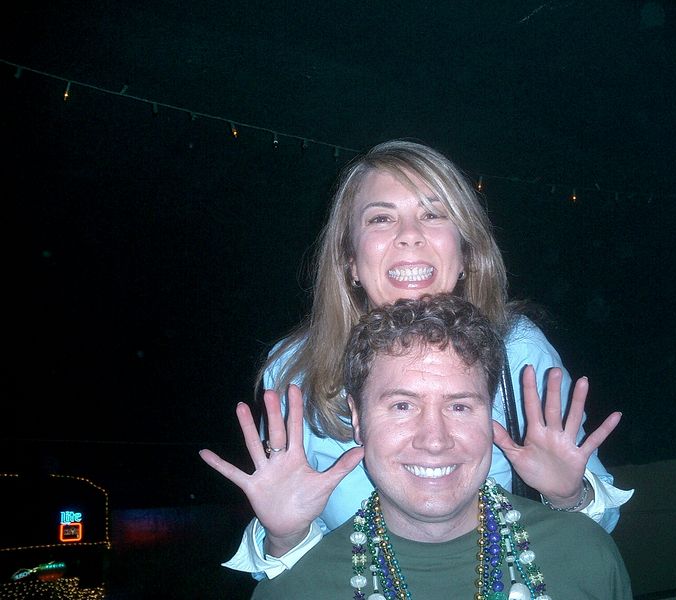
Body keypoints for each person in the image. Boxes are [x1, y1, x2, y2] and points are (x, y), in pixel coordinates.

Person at [210, 139, 632, 578]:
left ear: (465, 253)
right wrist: (285, 535)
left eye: (433, 214)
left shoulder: (519, 351)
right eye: (381, 218)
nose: (409, 234)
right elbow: (287, 575)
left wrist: (569, 496)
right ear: (350, 260)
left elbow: (597, 528)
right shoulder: (297, 369)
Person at [201, 294, 633, 598]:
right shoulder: (295, 590)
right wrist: (283, 537)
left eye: (460, 406)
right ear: (357, 420)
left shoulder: (587, 555)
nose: (434, 439)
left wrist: (572, 496)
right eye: (402, 406)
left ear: (491, 416)